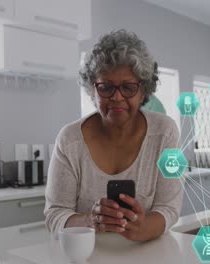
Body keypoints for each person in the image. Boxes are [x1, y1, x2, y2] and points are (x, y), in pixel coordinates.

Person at [44, 29, 183, 242]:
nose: (117, 97)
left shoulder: (165, 133)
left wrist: (144, 227)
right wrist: (90, 221)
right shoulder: (70, 140)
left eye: (128, 87)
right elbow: (55, 214)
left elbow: (169, 207)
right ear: (92, 90)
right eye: (106, 87)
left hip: (145, 254)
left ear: (144, 90)